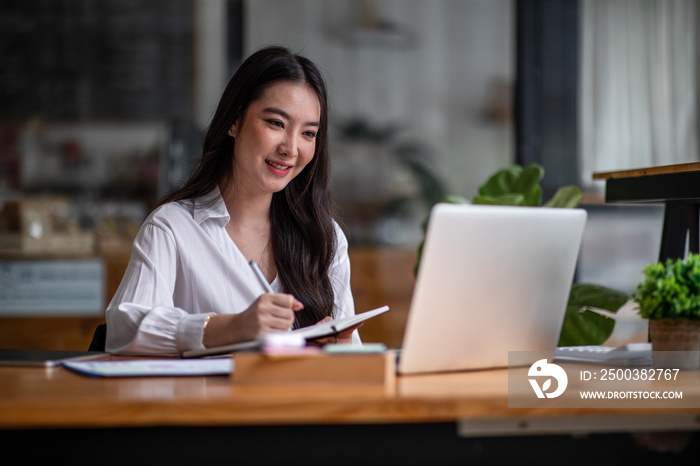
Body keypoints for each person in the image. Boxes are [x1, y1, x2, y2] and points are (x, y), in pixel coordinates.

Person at [105, 46, 360, 355]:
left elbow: (350, 356)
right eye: (276, 123)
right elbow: (125, 328)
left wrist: (340, 347)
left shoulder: (325, 236)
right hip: (208, 404)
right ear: (234, 121)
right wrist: (233, 327)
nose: (291, 149)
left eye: (308, 134)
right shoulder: (172, 227)